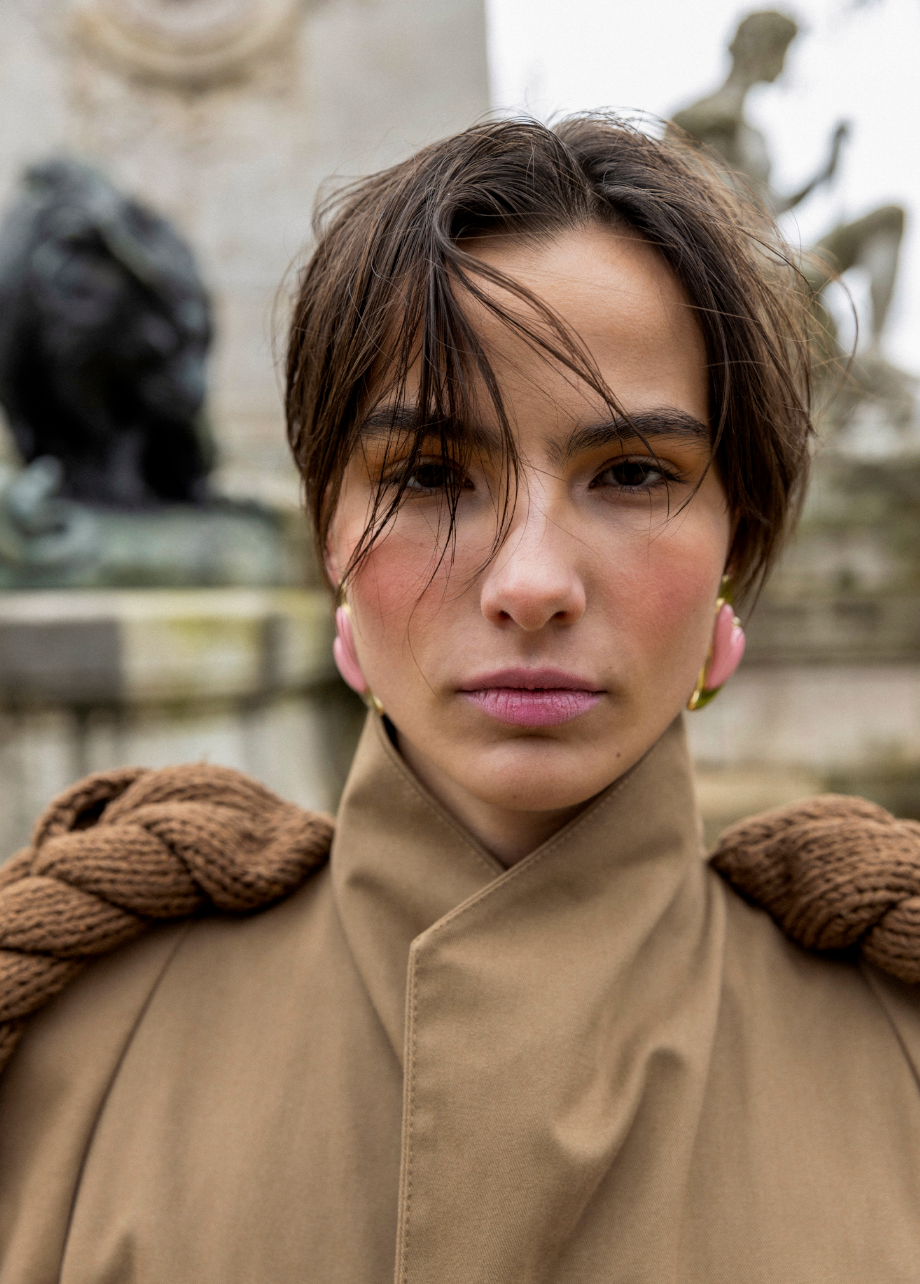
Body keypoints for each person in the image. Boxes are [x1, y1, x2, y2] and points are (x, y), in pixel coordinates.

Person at [2, 114, 920, 1284]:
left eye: (632, 474)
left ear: (733, 541)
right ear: (328, 536)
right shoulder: (67, 1038)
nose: (529, 582)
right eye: (430, 475)